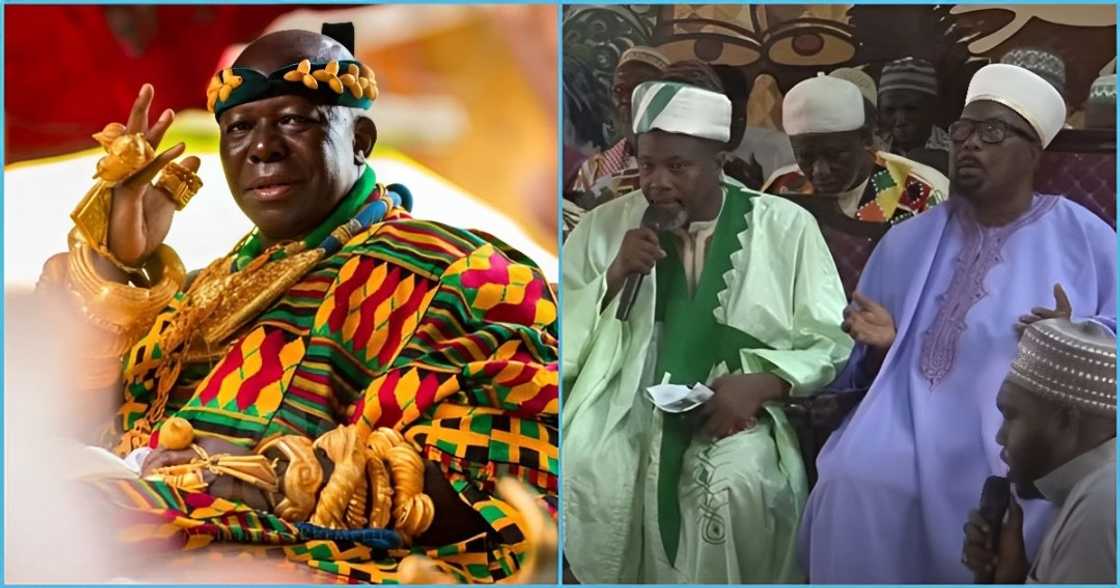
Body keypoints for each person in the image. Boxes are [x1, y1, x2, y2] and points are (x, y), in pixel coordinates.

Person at [36, 26, 558, 583]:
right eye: (239, 128)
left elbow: (506, 471)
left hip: (297, 558)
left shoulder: (454, 269)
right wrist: (118, 266)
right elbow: (68, 420)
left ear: (360, 139)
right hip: (134, 525)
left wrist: (259, 480)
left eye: (293, 121)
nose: (262, 147)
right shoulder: (204, 286)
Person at [797, 63, 1118, 583]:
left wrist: (1073, 337)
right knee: (852, 478)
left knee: (1031, 500)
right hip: (901, 422)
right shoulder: (906, 241)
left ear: (1033, 153)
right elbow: (857, 376)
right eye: (964, 130)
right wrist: (883, 347)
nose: (968, 143)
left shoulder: (1086, 238)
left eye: (991, 133)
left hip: (1018, 436)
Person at [562, 67, 852, 583]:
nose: (657, 182)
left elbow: (829, 339)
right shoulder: (604, 225)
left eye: (678, 166)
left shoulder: (784, 226)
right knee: (593, 470)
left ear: (718, 162)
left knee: (733, 487)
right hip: (622, 403)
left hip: (738, 411)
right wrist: (613, 276)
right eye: (646, 164)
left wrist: (765, 383)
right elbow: (556, 331)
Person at [962, 318, 1116, 584]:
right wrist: (1010, 578)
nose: (1000, 437)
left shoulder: (1101, 503)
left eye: (1011, 415)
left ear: (1066, 421)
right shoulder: (1089, 491)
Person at [763, 74, 948, 226]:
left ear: (867, 138)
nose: (820, 170)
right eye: (805, 156)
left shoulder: (917, 191)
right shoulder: (783, 187)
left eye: (834, 155)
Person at [564, 45, 668, 233]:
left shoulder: (683, 164)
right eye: (619, 91)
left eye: (639, 89)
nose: (626, 99)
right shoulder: (593, 169)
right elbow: (577, 231)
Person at [877, 57, 951, 175]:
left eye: (911, 109)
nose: (901, 120)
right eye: (889, 110)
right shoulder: (872, 147)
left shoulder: (953, 154)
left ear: (933, 108)